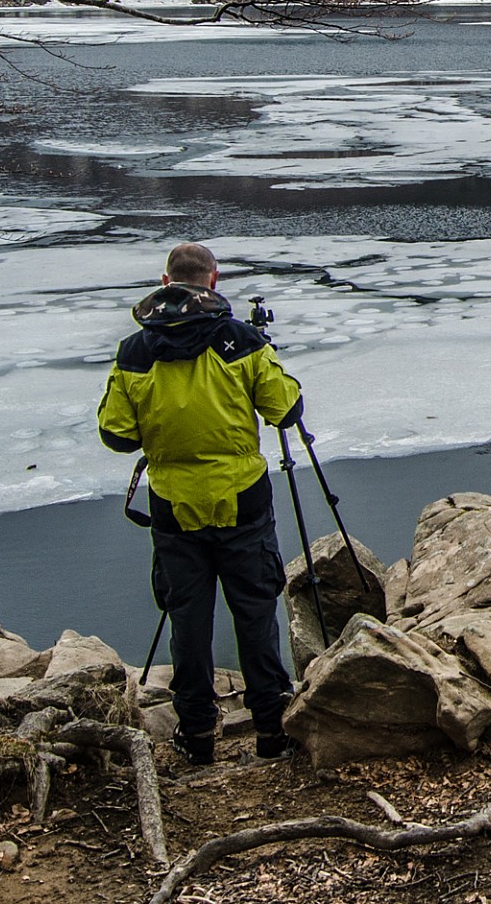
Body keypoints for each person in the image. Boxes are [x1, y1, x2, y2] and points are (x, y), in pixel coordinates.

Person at [98, 243, 302, 764]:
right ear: (214, 279)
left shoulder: (135, 352)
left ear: (166, 280)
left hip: (172, 503)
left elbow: (117, 434)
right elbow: (284, 410)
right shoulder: (241, 341)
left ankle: (196, 735)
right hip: (243, 500)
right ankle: (272, 730)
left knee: (188, 618)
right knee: (255, 613)